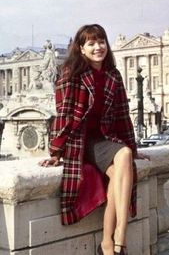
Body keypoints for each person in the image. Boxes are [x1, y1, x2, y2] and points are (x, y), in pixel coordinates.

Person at [40, 24, 148, 255]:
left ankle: (109, 243)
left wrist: (133, 147)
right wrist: (56, 151)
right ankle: (118, 239)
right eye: (91, 43)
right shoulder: (71, 73)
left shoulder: (113, 74)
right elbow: (65, 114)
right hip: (80, 142)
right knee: (124, 159)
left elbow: (122, 115)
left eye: (101, 42)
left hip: (105, 139)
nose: (98, 47)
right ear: (81, 48)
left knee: (121, 172)